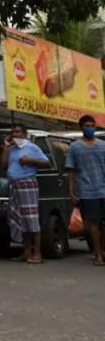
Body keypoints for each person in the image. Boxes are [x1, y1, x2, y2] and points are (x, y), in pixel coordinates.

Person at [0, 123, 49, 264]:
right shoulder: (12, 149)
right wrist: (5, 147)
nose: (16, 134)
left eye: (18, 132)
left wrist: (30, 160)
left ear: (24, 133)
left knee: (31, 219)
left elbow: (47, 163)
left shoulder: (32, 147)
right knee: (21, 220)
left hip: (27, 184)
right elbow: (3, 165)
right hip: (14, 185)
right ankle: (26, 252)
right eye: (13, 132)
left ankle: (37, 254)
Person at [66, 114, 105, 266]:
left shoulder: (102, 145)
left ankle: (102, 249)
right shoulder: (74, 147)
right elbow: (71, 171)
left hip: (103, 188)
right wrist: (71, 192)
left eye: (92, 126)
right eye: (87, 126)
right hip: (86, 190)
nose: (90, 129)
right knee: (93, 223)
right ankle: (97, 253)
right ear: (81, 127)